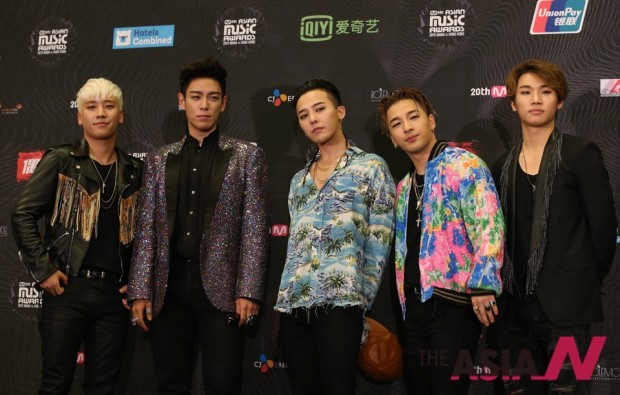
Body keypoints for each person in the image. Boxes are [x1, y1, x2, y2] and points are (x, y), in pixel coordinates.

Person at [127, 56, 269, 394]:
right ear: (182, 101)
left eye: (213, 97)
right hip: (168, 288)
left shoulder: (247, 156)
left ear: (224, 103)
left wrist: (248, 290)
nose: (204, 105)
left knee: (223, 382)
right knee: (171, 383)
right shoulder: (160, 159)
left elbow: (255, 229)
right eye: (195, 97)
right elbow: (146, 231)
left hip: (222, 289)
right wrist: (140, 290)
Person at [11, 78, 143, 395]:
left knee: (103, 387)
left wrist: (137, 279)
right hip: (67, 291)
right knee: (56, 384)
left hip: (115, 297)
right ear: (79, 116)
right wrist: (43, 270)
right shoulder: (61, 160)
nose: (101, 113)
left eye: (109, 106)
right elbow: (22, 215)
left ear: (121, 115)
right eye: (91, 107)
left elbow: (146, 234)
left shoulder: (135, 171)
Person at [493, 59, 617, 394]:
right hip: (514, 309)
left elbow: (603, 230)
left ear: (559, 100)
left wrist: (578, 279)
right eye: (526, 92)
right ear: (513, 102)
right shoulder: (501, 166)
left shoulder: (580, 154)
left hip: (568, 308)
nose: (536, 99)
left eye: (545, 92)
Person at [377, 88, 505, 394]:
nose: (407, 127)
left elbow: (489, 224)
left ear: (431, 121)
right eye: (396, 124)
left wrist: (484, 285)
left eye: (413, 117)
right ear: (392, 139)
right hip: (414, 308)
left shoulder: (464, 165)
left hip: (455, 304)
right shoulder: (403, 187)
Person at [274, 79, 395, 395]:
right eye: (303, 115)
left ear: (340, 111)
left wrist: (358, 302)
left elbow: (379, 241)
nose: (312, 119)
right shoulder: (298, 181)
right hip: (293, 307)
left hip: (342, 305)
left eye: (319, 109)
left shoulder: (371, 168)